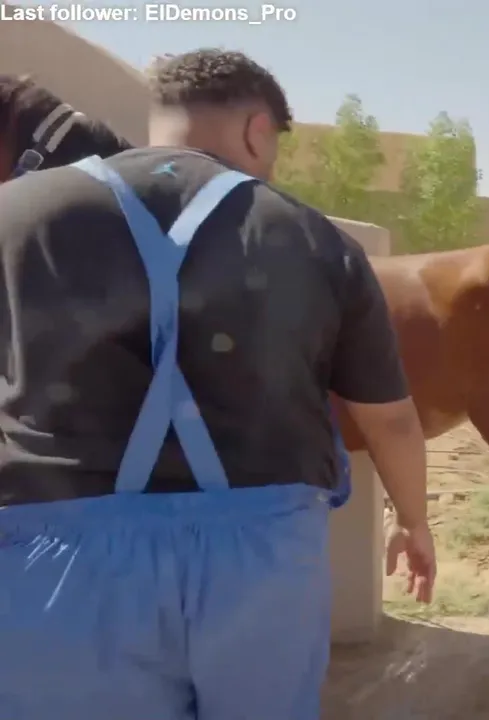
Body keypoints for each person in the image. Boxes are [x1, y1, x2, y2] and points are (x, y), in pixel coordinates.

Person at [0, 48, 437, 719]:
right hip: (262, 561)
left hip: (60, 553)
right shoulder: (317, 240)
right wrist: (413, 522)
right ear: (258, 129)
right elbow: (392, 419)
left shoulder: (15, 214)